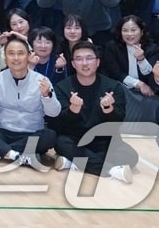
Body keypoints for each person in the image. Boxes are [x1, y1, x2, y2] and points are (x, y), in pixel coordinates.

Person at [0, 35, 60, 167]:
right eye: (11, 54)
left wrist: (46, 96)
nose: (16, 58)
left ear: (28, 56)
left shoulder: (41, 80)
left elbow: (54, 113)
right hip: (3, 132)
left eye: (20, 53)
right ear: (5, 56)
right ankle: (18, 155)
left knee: (50, 136)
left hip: (31, 134)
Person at [50, 41, 137, 182]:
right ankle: (111, 170)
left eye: (89, 58)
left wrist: (109, 109)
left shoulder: (114, 87)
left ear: (97, 62)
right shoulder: (61, 87)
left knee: (131, 156)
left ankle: (74, 162)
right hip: (75, 139)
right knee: (61, 143)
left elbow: (118, 121)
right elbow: (59, 123)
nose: (84, 63)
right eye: (79, 59)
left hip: (104, 140)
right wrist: (73, 110)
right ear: (73, 64)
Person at [101, 15, 159, 123]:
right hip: (121, 89)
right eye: (125, 30)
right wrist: (139, 84)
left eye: (133, 30)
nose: (129, 34)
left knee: (153, 104)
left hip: (146, 93)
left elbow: (151, 75)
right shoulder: (112, 47)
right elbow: (115, 74)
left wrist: (141, 59)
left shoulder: (153, 48)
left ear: (142, 32)